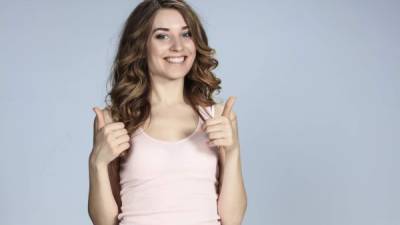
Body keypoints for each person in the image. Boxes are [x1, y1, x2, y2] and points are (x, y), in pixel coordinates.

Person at [88, 1, 247, 225]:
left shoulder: (218, 116)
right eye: (162, 36)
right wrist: (97, 162)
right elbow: (104, 222)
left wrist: (232, 152)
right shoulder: (115, 119)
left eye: (186, 34)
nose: (178, 46)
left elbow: (233, 220)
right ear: (140, 45)